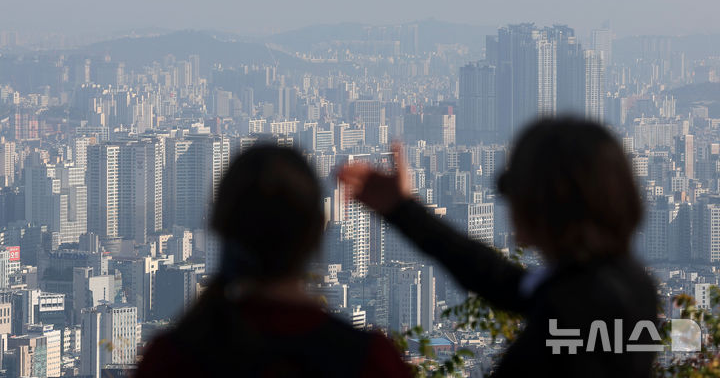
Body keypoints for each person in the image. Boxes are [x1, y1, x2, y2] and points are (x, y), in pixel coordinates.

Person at [339, 117, 658, 377]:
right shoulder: (624, 285)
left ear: (541, 202)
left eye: (511, 189)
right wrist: (403, 211)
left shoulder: (574, 309)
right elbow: (499, 280)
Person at [137, 145, 409, 378]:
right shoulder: (369, 361)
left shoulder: (170, 359)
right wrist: (408, 212)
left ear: (221, 228)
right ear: (316, 232)